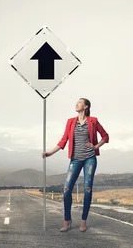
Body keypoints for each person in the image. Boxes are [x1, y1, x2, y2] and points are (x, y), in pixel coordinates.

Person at [41, 98, 109, 232]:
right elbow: (63, 141)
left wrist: (95, 146)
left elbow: (106, 137)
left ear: (86, 106)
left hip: (90, 159)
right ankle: (67, 220)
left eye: (79, 102)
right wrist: (49, 153)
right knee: (66, 189)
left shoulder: (93, 121)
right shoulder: (70, 122)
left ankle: (83, 220)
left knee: (87, 189)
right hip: (75, 160)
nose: (76, 104)